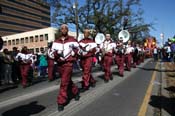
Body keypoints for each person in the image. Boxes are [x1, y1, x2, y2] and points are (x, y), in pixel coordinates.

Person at [51, 24, 80, 111]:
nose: (63, 30)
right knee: (67, 81)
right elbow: (52, 52)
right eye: (62, 28)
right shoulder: (56, 41)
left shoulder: (72, 39)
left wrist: (74, 53)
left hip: (68, 63)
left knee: (63, 82)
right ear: (60, 30)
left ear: (67, 30)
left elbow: (78, 49)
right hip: (60, 64)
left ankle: (61, 101)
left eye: (65, 28)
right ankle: (75, 92)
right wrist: (57, 54)